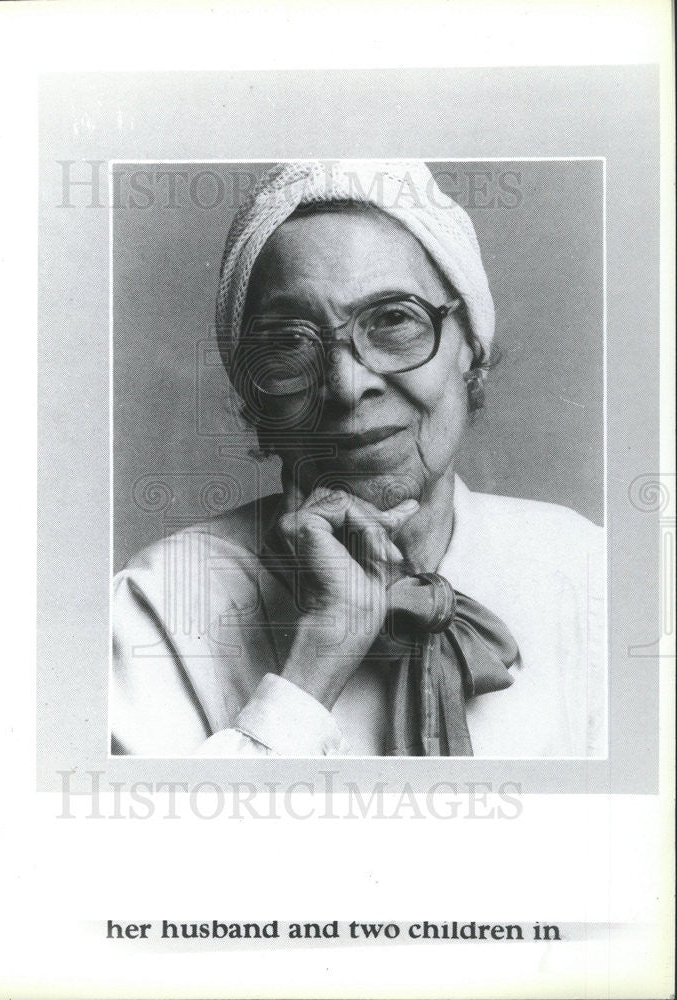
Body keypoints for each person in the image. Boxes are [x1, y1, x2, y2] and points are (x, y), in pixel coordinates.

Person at [111, 160, 605, 758]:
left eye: (394, 320)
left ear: (471, 348)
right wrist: (318, 658)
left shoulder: (589, 573)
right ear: (256, 393)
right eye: (290, 343)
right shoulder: (161, 605)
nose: (347, 385)